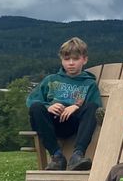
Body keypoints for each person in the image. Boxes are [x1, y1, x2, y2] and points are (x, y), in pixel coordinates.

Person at [27, 37, 101, 171]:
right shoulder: (51, 80)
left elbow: (96, 108)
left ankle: (77, 155)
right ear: (61, 60)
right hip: (52, 124)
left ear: (84, 60)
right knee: (36, 107)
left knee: (92, 107)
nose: (71, 63)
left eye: (75, 59)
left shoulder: (89, 84)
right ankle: (57, 156)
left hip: (74, 125)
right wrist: (48, 107)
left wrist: (76, 106)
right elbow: (31, 100)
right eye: (67, 59)